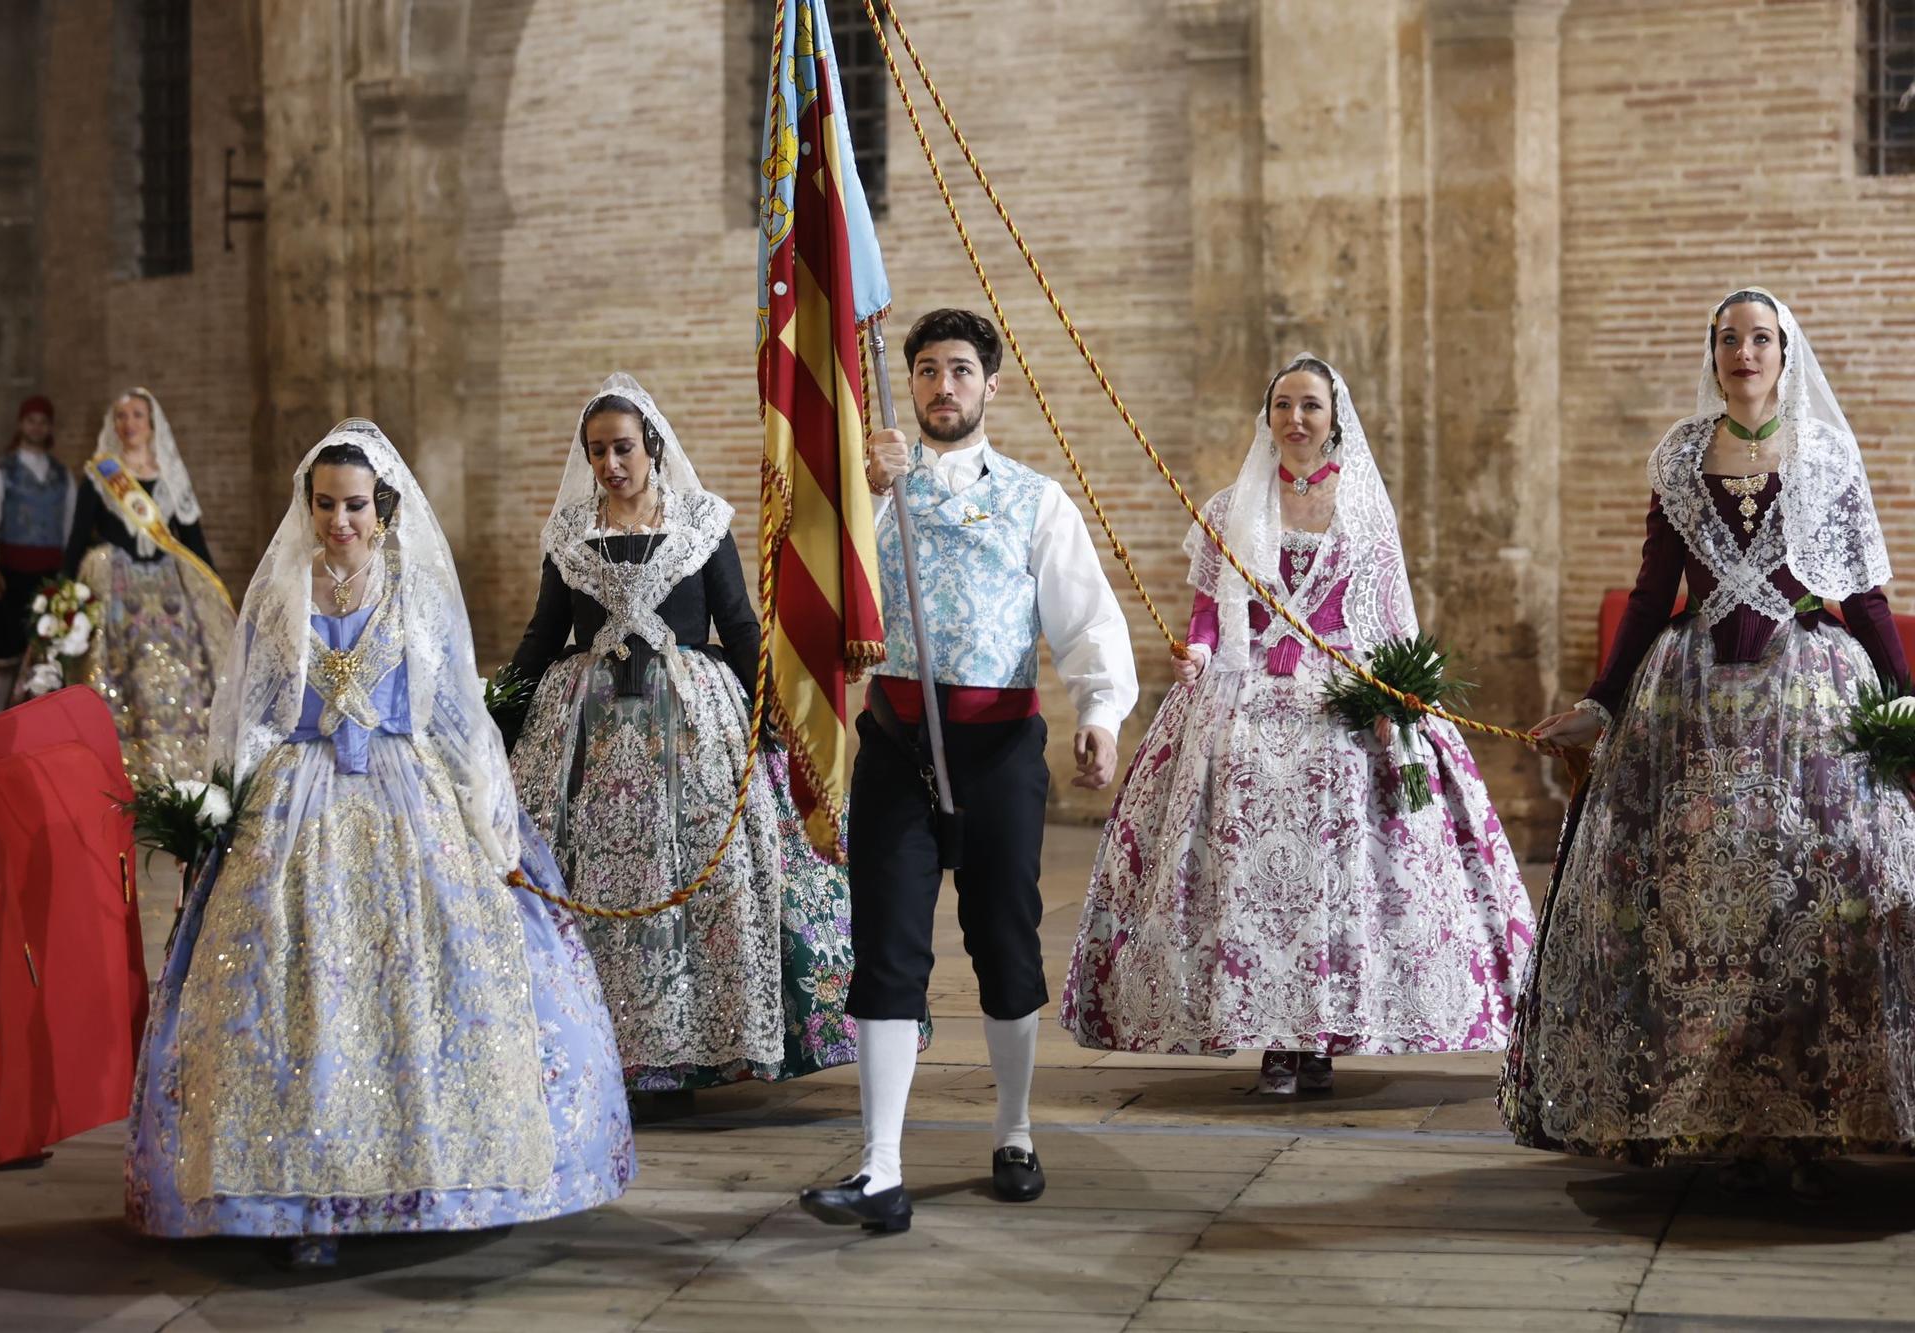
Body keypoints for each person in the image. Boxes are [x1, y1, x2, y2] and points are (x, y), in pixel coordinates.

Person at [125, 419, 635, 1267]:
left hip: (409, 805)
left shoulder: (416, 589)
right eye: (324, 504)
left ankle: (435, 1184)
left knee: (423, 993)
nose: (339, 521)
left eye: (355, 504)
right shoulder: (284, 593)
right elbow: (249, 713)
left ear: (383, 505)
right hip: (296, 810)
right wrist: (219, 814)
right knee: (298, 998)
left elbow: (455, 718)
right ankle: (302, 1200)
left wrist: (490, 824)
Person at [1505, 289, 1915, 1197]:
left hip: (1808, 702)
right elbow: (1653, 596)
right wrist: (1600, 703)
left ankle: (1810, 1116)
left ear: (1784, 352)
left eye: (1760, 338)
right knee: (1691, 907)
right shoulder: (1681, 458)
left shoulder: (1826, 454)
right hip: (1687, 707)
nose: (1744, 352)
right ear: (1714, 353)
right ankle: (1694, 1109)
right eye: (1728, 339)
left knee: (1808, 899)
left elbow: (1865, 594)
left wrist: (1906, 701)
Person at [1060, 355, 1536, 1094]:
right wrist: (1199, 654)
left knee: (1328, 879)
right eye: (1283, 405)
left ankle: (1321, 1030)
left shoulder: (1364, 509)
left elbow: (1385, 621)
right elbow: (1209, 616)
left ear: (1334, 416)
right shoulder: (1230, 507)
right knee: (1245, 877)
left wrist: (1391, 706)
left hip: (1335, 712)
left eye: (1310, 405)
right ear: (1267, 416)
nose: (1296, 419)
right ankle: (1270, 1036)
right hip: (1242, 706)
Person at [800, 308, 1138, 1234]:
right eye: (925, 371)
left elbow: (1087, 623)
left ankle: (1016, 1129)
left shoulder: (1036, 499)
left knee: (1003, 937)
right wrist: (857, 499)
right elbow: (816, 591)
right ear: (907, 385)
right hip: (896, 746)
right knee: (889, 945)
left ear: (991, 386)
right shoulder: (871, 491)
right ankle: (880, 1166)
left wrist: (1100, 716)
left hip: (999, 749)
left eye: (959, 370)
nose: (941, 386)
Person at [506, 373, 859, 1089]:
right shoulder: (570, 535)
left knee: (711, 874)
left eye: (624, 448)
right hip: (586, 735)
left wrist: (774, 722)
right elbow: (544, 635)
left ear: (653, 446)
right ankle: (604, 1046)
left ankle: (703, 1040)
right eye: (598, 450)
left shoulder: (701, 524)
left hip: (693, 732)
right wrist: (493, 717)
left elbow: (737, 624)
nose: (611, 464)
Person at [65, 388, 232, 781]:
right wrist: (64, 598)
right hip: (118, 593)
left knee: (181, 675)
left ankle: (181, 766)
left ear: (152, 424)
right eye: (121, 416)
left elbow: (193, 543)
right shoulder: (101, 474)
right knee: (129, 677)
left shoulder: (172, 476)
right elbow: (76, 540)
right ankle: (132, 769)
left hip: (170, 592)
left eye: (137, 415)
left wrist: (218, 594)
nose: (129, 424)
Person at [0, 395, 74, 714]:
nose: (36, 426)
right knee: (5, 654)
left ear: (49, 427)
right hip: (10, 576)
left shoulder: (62, 475)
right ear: (21, 424)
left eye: (43, 421)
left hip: (51, 579)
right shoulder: (0, 471)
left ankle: (41, 722)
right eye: (31, 420)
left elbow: (69, 530)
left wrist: (67, 578)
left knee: (48, 655)